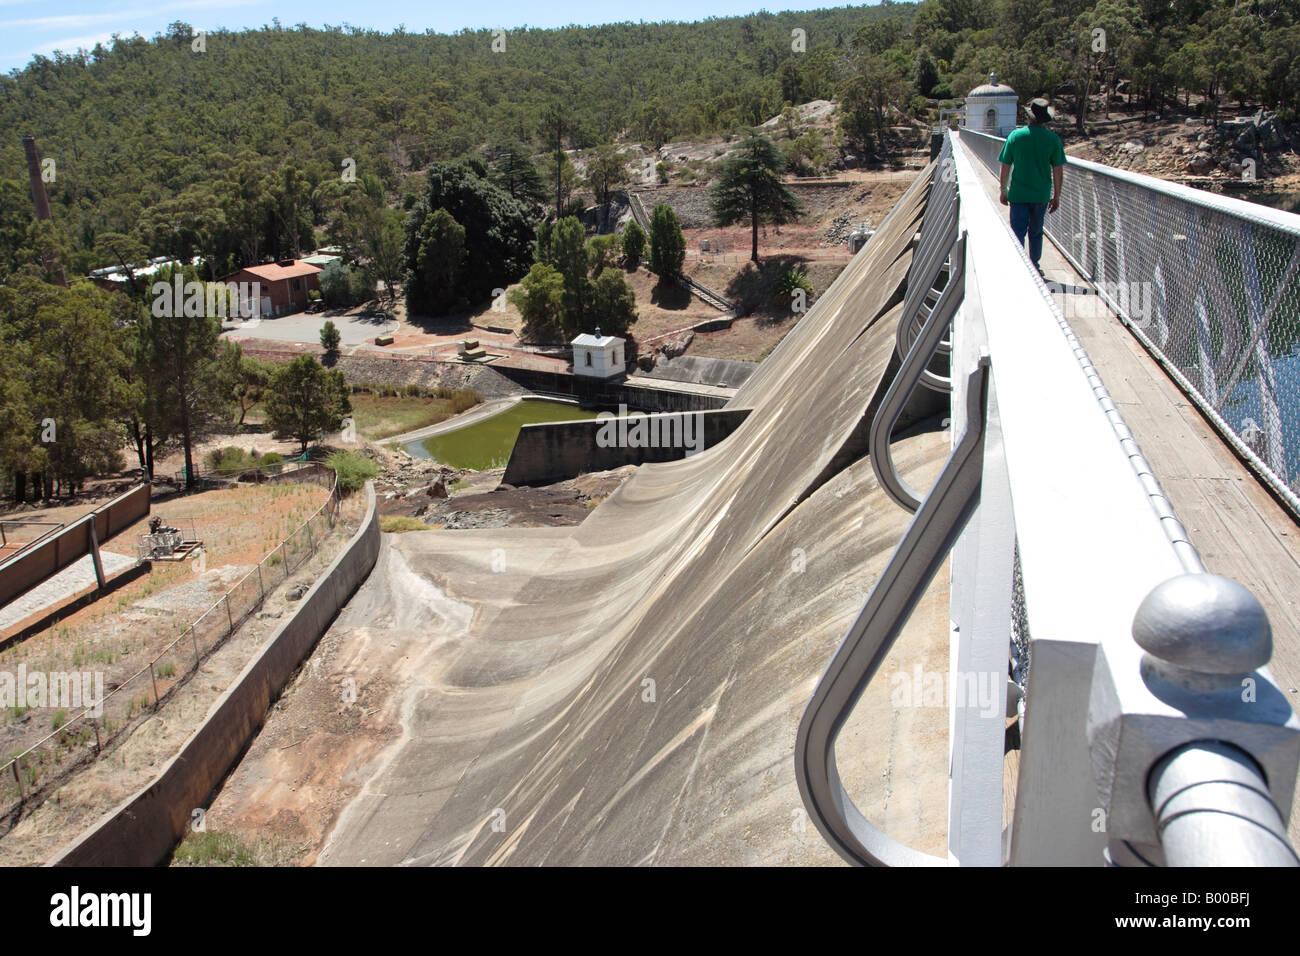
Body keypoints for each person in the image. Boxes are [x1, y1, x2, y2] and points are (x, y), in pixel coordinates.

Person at [997, 98, 1065, 273]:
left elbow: (1005, 165)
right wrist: (1056, 196)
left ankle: (1018, 266)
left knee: (1017, 231)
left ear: (1028, 117)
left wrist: (1003, 189)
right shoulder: (1053, 139)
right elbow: (1058, 170)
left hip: (1018, 194)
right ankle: (1034, 265)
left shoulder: (1015, 137)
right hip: (1041, 195)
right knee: (1036, 231)